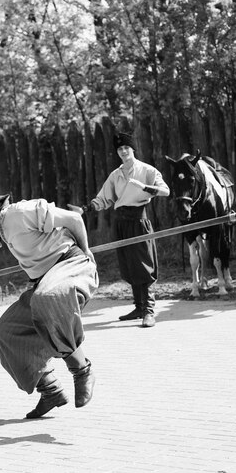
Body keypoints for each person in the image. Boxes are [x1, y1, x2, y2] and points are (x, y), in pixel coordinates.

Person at [0, 187, 99, 419]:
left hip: (69, 264)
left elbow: (74, 219)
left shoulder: (20, 212)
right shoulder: (3, 229)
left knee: (47, 299)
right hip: (44, 281)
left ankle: (82, 370)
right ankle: (50, 390)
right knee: (5, 332)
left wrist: (87, 253)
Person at [68, 132, 169, 328]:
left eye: (126, 148)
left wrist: (145, 187)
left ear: (133, 149)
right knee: (129, 266)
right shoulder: (116, 175)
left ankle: (149, 311)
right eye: (120, 149)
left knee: (144, 266)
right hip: (121, 222)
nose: (123, 152)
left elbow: (166, 191)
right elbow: (104, 198)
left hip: (139, 220)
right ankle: (139, 307)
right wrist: (84, 209)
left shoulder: (147, 170)